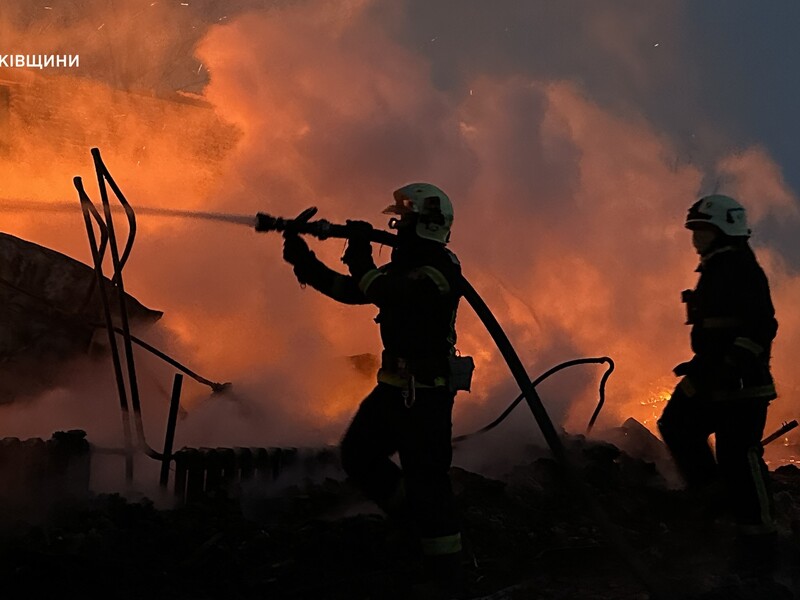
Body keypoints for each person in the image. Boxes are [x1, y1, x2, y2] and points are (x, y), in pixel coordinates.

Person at [281, 183, 467, 593]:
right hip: (394, 392)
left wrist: (362, 253)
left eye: (405, 223)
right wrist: (305, 262)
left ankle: (446, 579)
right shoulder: (404, 268)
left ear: (428, 226)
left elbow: (380, 291)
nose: (397, 230)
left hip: (426, 396)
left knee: (428, 484)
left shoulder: (439, 273)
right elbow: (353, 292)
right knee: (359, 455)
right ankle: (410, 526)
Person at [657, 194, 778, 575]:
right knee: (677, 425)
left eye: (703, 230)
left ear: (725, 228)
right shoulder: (718, 267)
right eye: (695, 231)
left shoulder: (739, 268)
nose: (696, 238)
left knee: (739, 457)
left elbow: (761, 326)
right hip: (715, 376)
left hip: (741, 385)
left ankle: (759, 542)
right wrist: (699, 365)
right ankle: (713, 496)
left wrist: (727, 366)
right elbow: (719, 330)